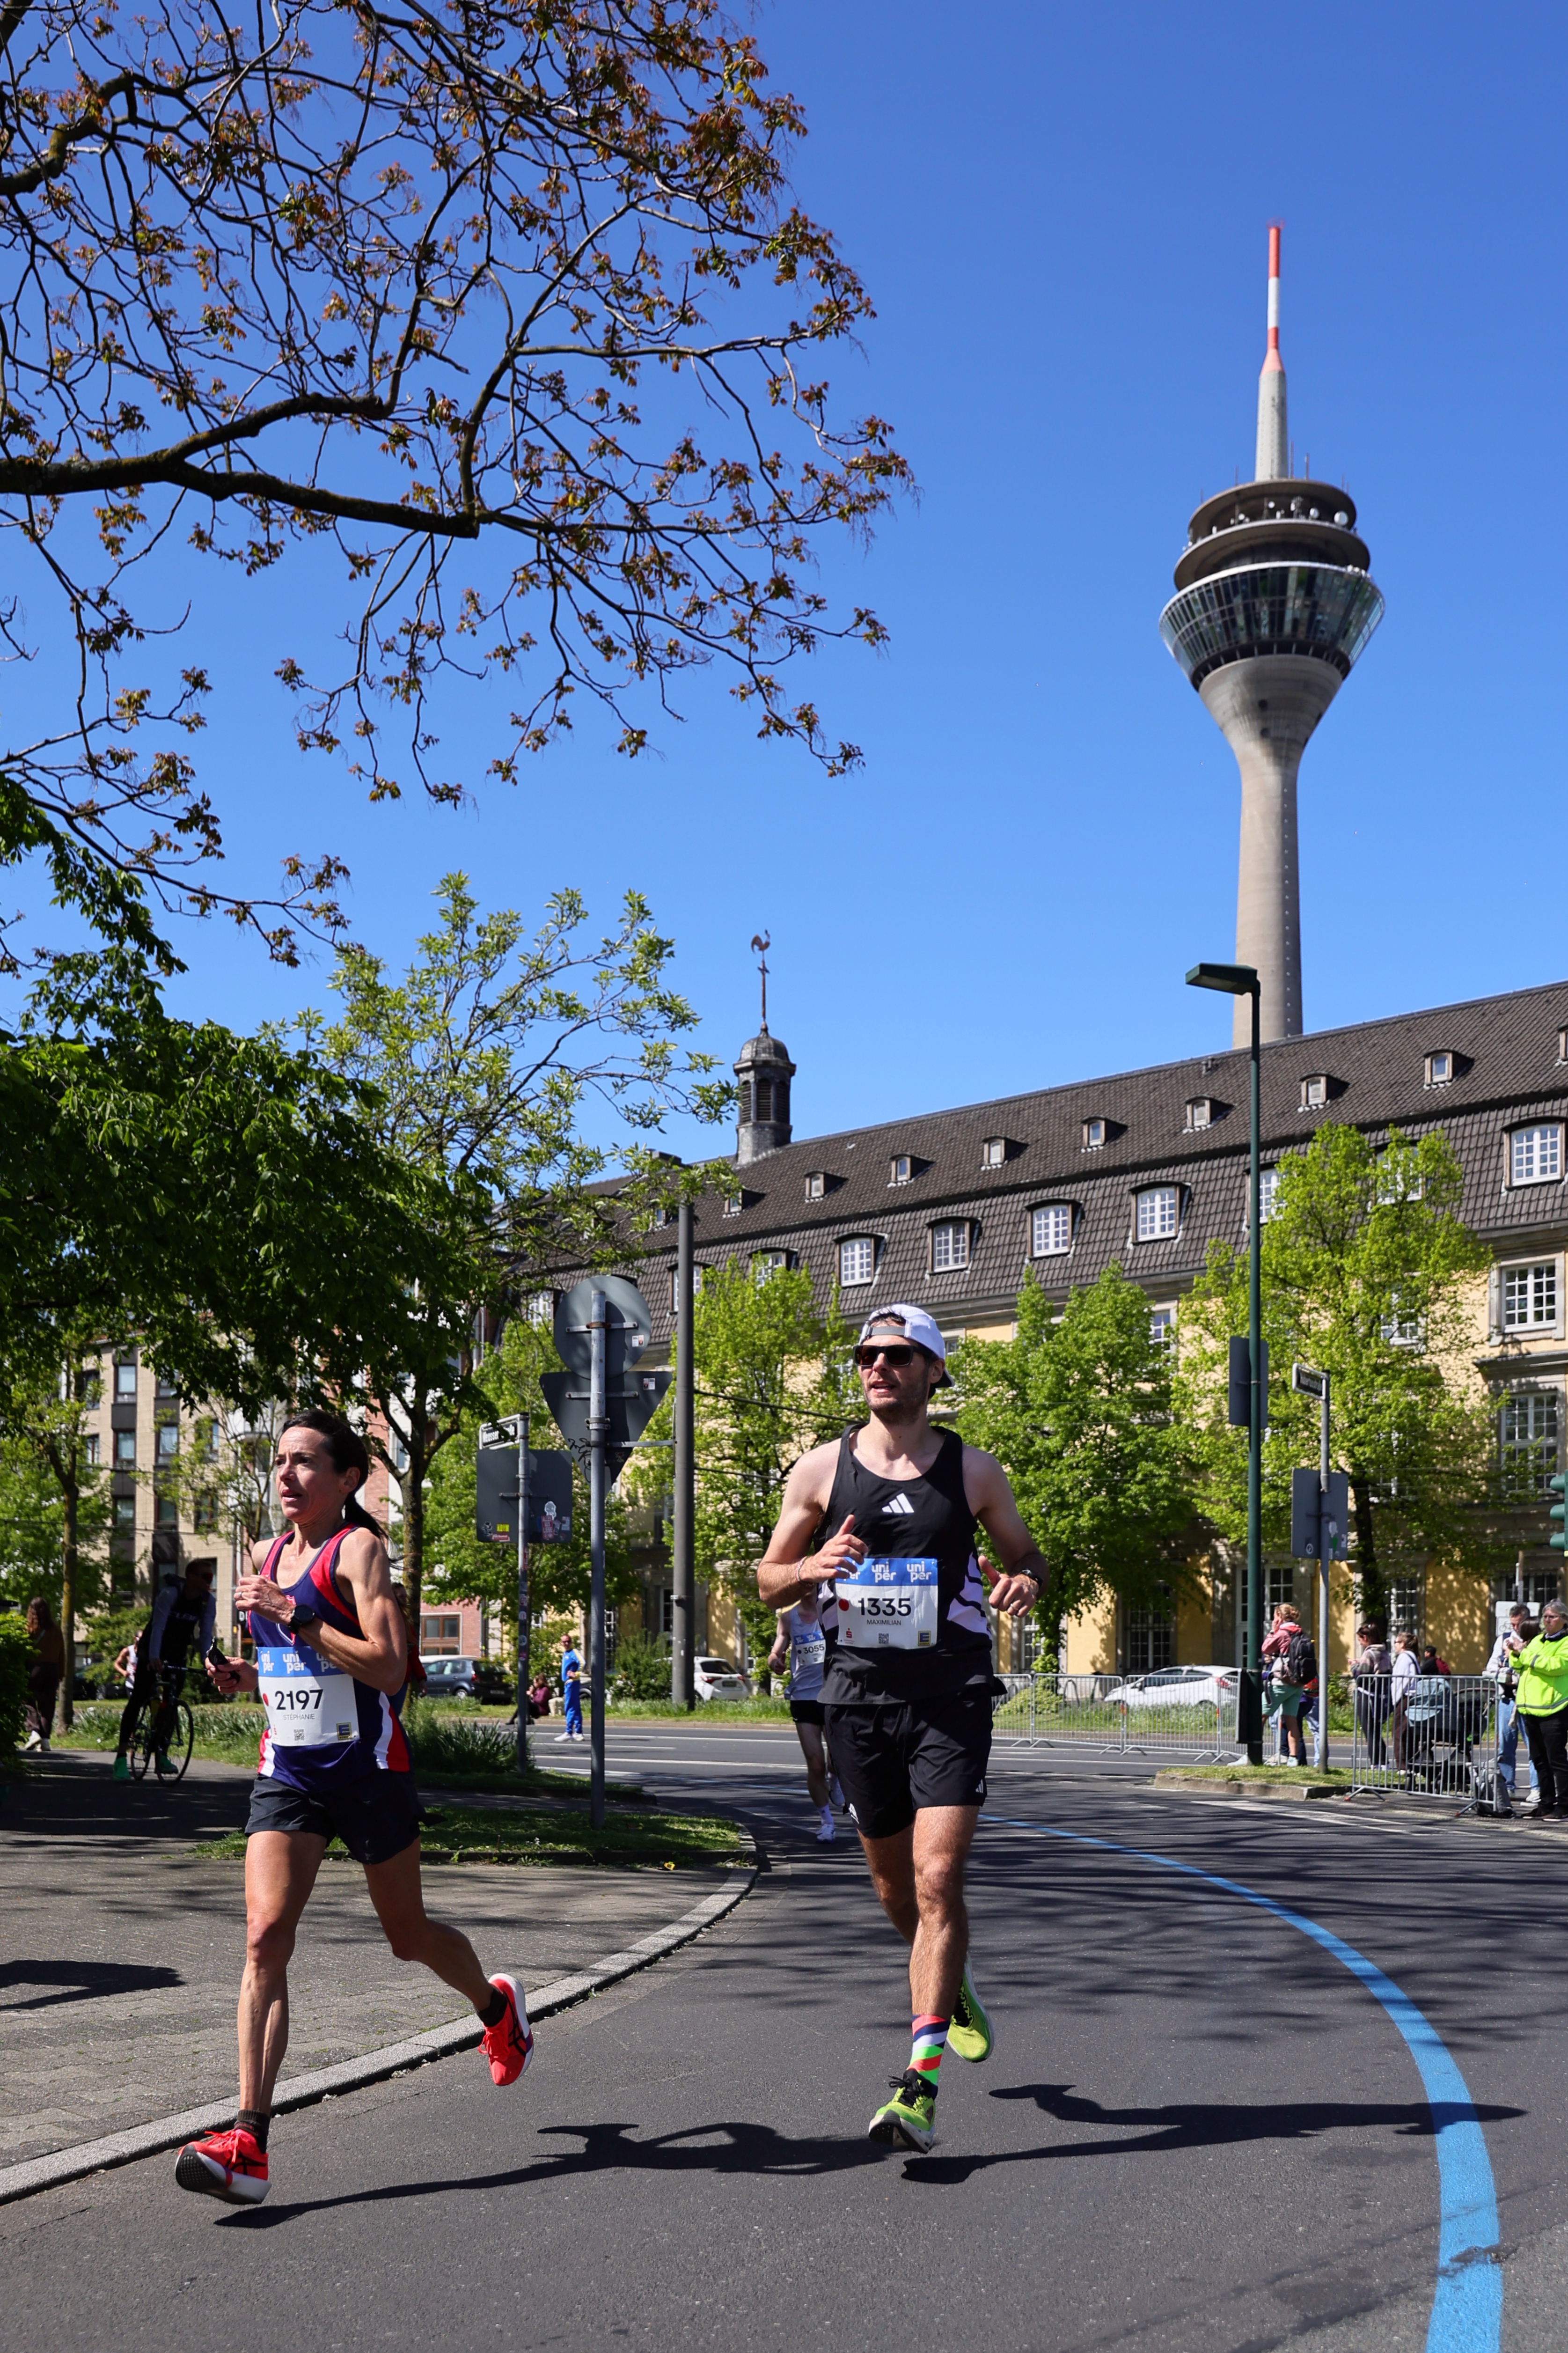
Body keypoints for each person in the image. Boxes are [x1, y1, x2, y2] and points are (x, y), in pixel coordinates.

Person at [174, 1410, 532, 2208]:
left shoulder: (359, 1551)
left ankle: (494, 2007)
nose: (286, 1475)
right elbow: (286, 1664)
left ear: (347, 1479)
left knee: (408, 1939)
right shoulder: (268, 1556)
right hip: (290, 1773)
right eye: (279, 1462)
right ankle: (248, 2141)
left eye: (305, 1462)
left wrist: (299, 1613)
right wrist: (242, 1674)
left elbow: (392, 1666)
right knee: (265, 1937)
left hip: (368, 1774)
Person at [757, 1303, 1045, 2154]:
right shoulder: (818, 1469)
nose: (877, 1365)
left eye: (897, 1354)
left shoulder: (973, 1471)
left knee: (935, 1879)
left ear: (933, 1371)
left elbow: (1027, 1555)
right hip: (856, 1699)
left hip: (951, 1693)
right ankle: (949, 1989)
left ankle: (917, 2083)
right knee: (893, 1891)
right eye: (866, 1355)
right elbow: (771, 1579)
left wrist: (1025, 1581)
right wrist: (810, 1566)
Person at [112, 1559, 217, 1779]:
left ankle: (162, 1754)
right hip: (153, 1647)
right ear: (191, 1577)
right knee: (139, 1696)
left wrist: (208, 1662)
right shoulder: (170, 1594)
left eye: (211, 1576)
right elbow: (158, 1626)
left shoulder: (208, 1602)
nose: (210, 1580)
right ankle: (121, 1758)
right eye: (205, 1576)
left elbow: (205, 1635)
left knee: (170, 1703)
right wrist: (153, 1658)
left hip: (178, 1650)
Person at [768, 1589, 839, 1842]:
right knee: (815, 1764)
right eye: (803, 1583)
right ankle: (826, 1823)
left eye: (813, 1583)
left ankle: (836, 1777)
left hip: (834, 1695)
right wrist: (775, 1661)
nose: (808, 1587)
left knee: (836, 1761)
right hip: (803, 1697)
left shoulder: (834, 1610)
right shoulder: (788, 1617)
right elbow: (777, 1650)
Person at [1511, 1598, 1568, 1822]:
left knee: (1557, 1761)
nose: (1547, 1621)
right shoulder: (1537, 1640)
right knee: (1539, 1759)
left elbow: (1556, 1667)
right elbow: (1521, 1665)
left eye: (1552, 1617)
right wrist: (1515, 1654)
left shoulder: (1565, 1643)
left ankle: (1564, 1805)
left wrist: (1525, 1655)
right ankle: (1546, 1803)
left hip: (1554, 1708)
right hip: (1530, 1709)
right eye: (1545, 1617)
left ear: (1563, 1620)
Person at [1485, 1603, 1537, 1816]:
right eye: (1513, 1624)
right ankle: (1508, 1785)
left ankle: (1537, 1788)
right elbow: (1490, 1667)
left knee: (1534, 1745)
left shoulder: (1535, 1640)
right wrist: (1504, 1673)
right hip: (1507, 1699)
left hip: (1529, 1699)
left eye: (1519, 1624)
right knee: (1505, 1745)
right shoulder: (1504, 1639)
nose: (1515, 1628)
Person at [1260, 1602, 1314, 1766]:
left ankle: (1252, 1751)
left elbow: (1266, 1648)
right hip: (1297, 1683)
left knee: (1260, 1715)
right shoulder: (1299, 1632)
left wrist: (1273, 1630)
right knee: (1291, 1720)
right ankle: (1293, 1758)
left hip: (1281, 1682)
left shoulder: (1283, 1633)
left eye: (1275, 1616)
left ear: (1280, 1617)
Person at [21, 1596, 65, 1752]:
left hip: (35, 1667)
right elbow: (62, 1651)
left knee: (28, 1700)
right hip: (53, 1669)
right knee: (48, 1706)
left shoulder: (30, 1628)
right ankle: (45, 1740)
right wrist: (62, 1672)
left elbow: (23, 1650)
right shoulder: (56, 1628)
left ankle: (34, 1731)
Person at [1352, 1620, 1392, 1766]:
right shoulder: (1385, 1652)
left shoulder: (1369, 1653)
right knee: (1376, 1730)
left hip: (1367, 1695)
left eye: (1360, 1640)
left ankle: (1376, 1763)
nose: (1360, 1643)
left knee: (1369, 1731)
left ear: (1366, 1638)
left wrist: (1354, 1666)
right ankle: (1383, 1763)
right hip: (1380, 1695)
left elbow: (1361, 1676)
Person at [1390, 1630, 1420, 1771]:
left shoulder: (1404, 1658)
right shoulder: (1413, 1657)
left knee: (1399, 1733)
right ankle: (1411, 1765)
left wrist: (1395, 1700)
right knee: (1409, 1733)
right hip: (1412, 1698)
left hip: (1405, 1698)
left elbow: (1400, 1682)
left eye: (1396, 1642)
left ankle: (1402, 1766)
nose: (1394, 1645)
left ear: (1402, 1644)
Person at [557, 1632, 584, 1742]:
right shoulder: (566, 1653)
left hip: (572, 1683)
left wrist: (576, 1674)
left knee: (569, 1707)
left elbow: (583, 1662)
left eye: (569, 1641)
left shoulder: (574, 1652)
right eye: (565, 1642)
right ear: (561, 1643)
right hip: (570, 1683)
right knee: (576, 1708)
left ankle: (569, 1732)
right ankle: (578, 1732)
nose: (567, 1643)